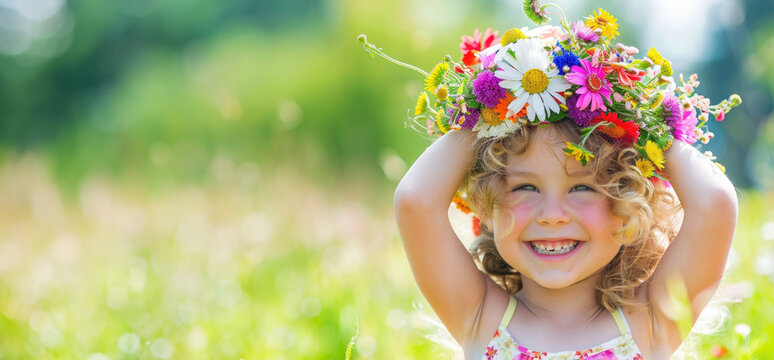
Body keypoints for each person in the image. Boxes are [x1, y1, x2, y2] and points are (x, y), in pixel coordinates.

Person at [360, 4, 742, 359]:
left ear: (628, 206)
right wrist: (496, 101)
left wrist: (635, 117)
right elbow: (415, 200)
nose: (553, 215)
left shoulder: (652, 321)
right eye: (525, 188)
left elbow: (714, 203)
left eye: (582, 188)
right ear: (486, 206)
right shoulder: (480, 317)